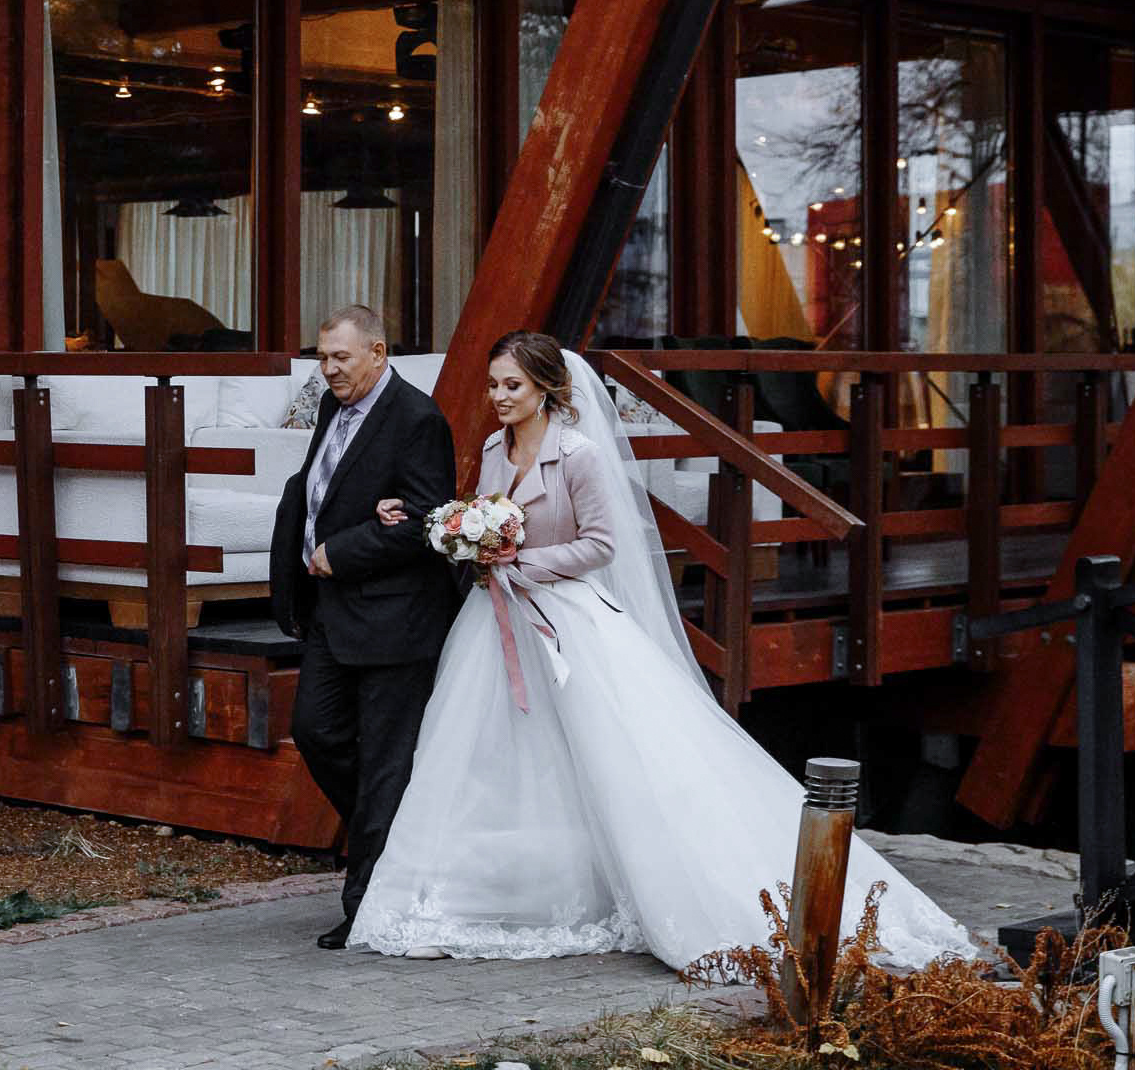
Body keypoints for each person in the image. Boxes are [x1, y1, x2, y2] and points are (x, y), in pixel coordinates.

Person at [347, 332, 972, 971]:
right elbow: (482, 515)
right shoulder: (490, 448)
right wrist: (461, 538)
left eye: (513, 386)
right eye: (494, 385)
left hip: (567, 617)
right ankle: (458, 900)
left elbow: (600, 545)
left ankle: (644, 889)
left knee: (611, 758)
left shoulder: (581, 455)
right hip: (496, 619)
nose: (499, 397)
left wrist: (521, 558)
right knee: (482, 756)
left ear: (546, 389)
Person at [271, 305, 457, 952]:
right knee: (314, 731)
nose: (327, 370)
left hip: (394, 617)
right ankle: (393, 839)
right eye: (321, 358)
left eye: (339, 358)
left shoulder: (418, 419)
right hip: (331, 613)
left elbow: (429, 521)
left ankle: (368, 908)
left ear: (377, 353)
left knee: (384, 763)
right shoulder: (333, 405)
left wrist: (342, 551)